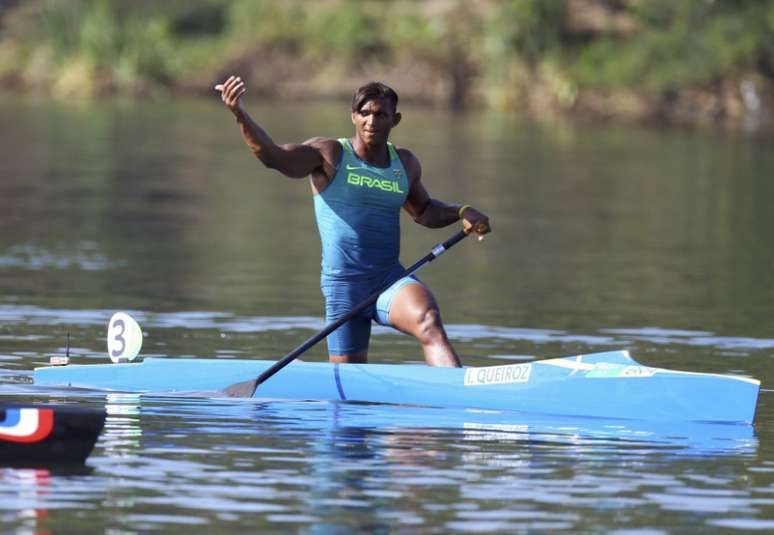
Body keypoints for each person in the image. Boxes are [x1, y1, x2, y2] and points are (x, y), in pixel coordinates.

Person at [215, 76, 491, 367]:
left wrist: (462, 212)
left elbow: (423, 212)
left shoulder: (405, 163)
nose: (371, 120)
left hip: (389, 279)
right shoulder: (328, 154)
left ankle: (456, 392)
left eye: (380, 114)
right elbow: (274, 157)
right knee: (348, 388)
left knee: (428, 321)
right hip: (343, 287)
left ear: (395, 120)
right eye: (364, 113)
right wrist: (240, 115)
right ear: (353, 117)